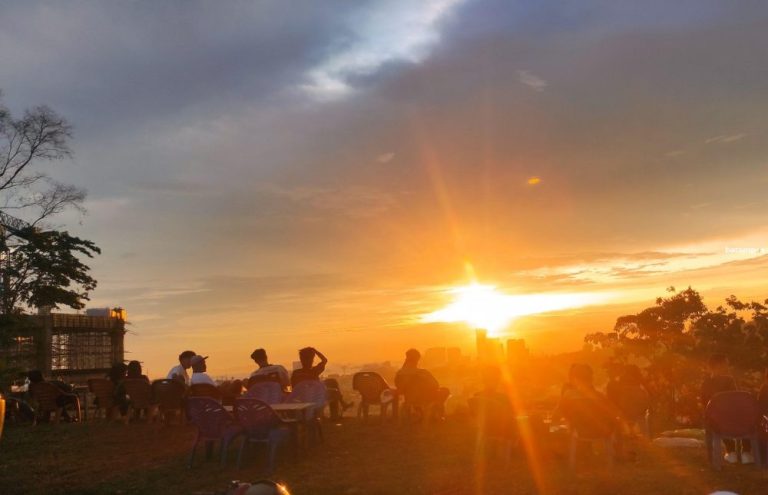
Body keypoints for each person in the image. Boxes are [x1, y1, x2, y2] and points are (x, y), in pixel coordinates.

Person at [700, 353, 752, 464]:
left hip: (717, 423)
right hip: (734, 420)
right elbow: (737, 401)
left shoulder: (705, 383)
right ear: (720, 365)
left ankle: (731, 451)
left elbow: (704, 405)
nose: (728, 366)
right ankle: (746, 453)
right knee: (745, 416)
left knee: (717, 418)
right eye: (726, 364)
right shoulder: (730, 381)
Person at [394, 349, 450, 421]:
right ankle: (438, 416)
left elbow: (398, 386)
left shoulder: (399, 373)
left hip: (409, 398)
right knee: (445, 390)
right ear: (418, 359)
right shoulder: (422, 372)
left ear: (406, 358)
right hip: (425, 398)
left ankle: (418, 412)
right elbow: (436, 385)